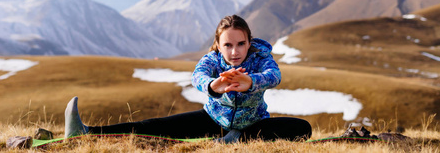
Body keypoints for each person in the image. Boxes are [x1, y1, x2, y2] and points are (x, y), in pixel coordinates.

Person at [64, 15, 312, 143]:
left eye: (241, 44)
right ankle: (86, 133)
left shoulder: (260, 57)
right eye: (228, 45)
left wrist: (251, 82)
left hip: (254, 124)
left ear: (249, 42)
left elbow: (274, 76)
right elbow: (197, 77)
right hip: (213, 119)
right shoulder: (213, 60)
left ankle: (236, 139)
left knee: (303, 128)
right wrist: (214, 86)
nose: (235, 51)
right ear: (218, 44)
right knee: (157, 125)